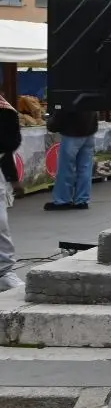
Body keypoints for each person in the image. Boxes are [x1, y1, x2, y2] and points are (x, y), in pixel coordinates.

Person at [43, 100, 98, 212]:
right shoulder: (90, 87)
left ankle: (62, 200)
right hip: (89, 130)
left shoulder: (69, 89)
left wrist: (51, 124)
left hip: (73, 132)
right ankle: (82, 200)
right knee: (85, 168)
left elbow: (62, 110)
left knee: (66, 167)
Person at [0, 93, 20, 292]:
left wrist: (13, 179)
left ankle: (4, 273)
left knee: (0, 224)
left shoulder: (5, 111)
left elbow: (7, 149)